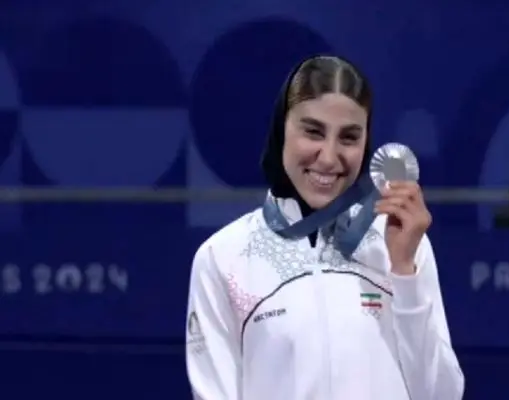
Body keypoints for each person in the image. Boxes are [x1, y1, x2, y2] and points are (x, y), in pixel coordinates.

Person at [185, 55, 465, 400]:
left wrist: (404, 271)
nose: (329, 158)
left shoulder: (400, 243)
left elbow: (441, 395)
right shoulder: (224, 257)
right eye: (313, 132)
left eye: (349, 137)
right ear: (281, 130)